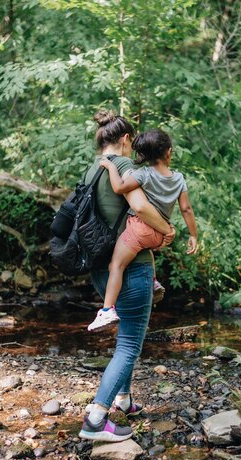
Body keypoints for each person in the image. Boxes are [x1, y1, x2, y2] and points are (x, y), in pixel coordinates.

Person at [79, 110, 175, 442]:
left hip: (103, 270)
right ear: (124, 140)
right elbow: (144, 207)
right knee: (130, 345)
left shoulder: (92, 169)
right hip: (134, 271)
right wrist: (168, 230)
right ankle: (95, 419)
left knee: (126, 339)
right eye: (131, 143)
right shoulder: (124, 167)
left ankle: (123, 399)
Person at [87, 129, 198, 332]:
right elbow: (186, 209)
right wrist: (193, 235)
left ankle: (106, 310)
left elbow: (119, 187)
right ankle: (154, 283)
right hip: (158, 234)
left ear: (145, 155)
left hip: (139, 230)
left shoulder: (143, 174)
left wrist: (111, 167)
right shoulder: (179, 178)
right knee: (143, 248)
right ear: (169, 152)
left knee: (116, 266)